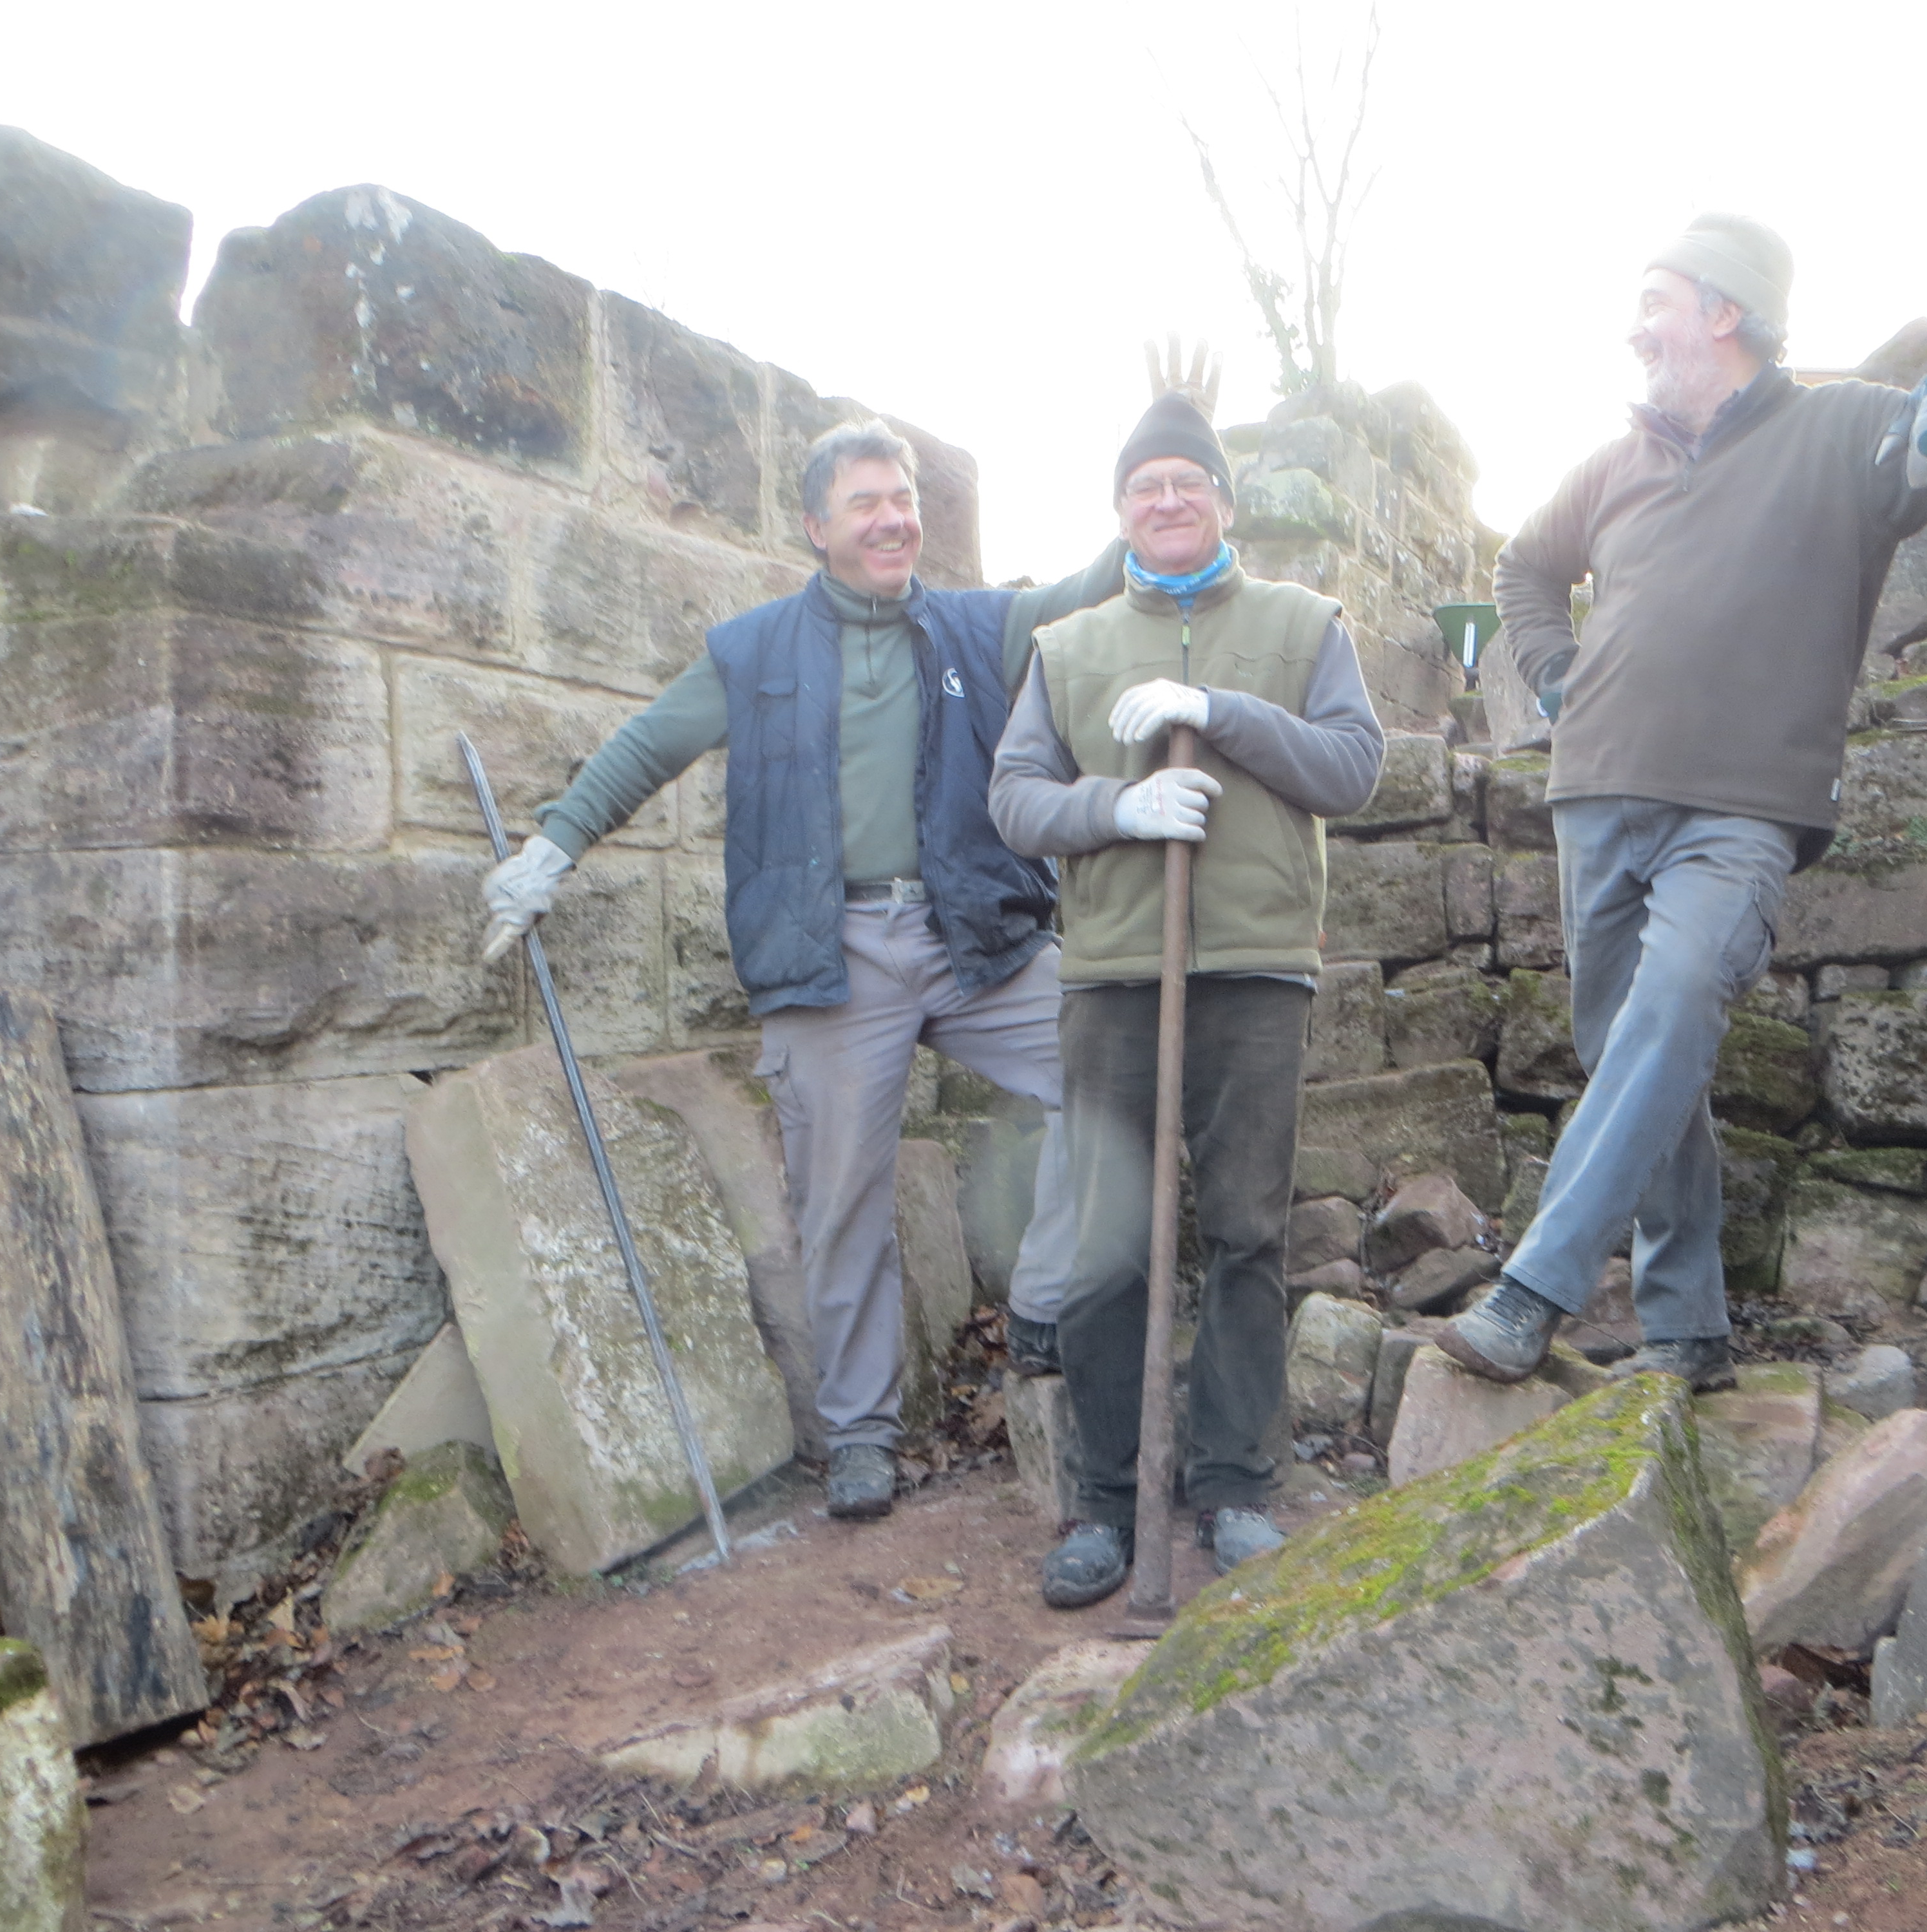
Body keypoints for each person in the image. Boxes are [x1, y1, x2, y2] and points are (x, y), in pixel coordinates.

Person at [478, 417, 1126, 1520]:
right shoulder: (756, 650)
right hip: (833, 954)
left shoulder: (979, 626)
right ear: (818, 527)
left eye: (903, 499)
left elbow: (1087, 594)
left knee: (1105, 1068)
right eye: (867, 503)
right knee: (840, 1200)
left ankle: (1045, 1305)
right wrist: (551, 850)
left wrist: (1156, 480)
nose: (893, 519)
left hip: (976, 932)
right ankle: (862, 1434)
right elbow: (650, 746)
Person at [1439, 212, 1927, 1394]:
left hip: (1741, 808)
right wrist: (1558, 673)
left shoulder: (1842, 427)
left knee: (1669, 1009)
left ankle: (1535, 1290)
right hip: (1595, 794)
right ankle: (1688, 1329)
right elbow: (1523, 566)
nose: (1634, 329)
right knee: (1638, 1061)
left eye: (1654, 302)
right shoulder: (1612, 464)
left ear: (1725, 309)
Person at [989, 388, 1385, 1607]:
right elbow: (1013, 800)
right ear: (1121, 510)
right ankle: (1108, 1502)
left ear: (1224, 500)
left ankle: (1232, 1484)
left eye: (1188, 482)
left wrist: (1221, 715)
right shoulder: (1067, 647)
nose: (1168, 501)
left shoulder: (1302, 625)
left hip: (1255, 970)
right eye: (1146, 486)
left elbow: (1352, 768)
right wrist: (1118, 806)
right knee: (1110, 1245)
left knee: (1249, 1234)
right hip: (1116, 975)